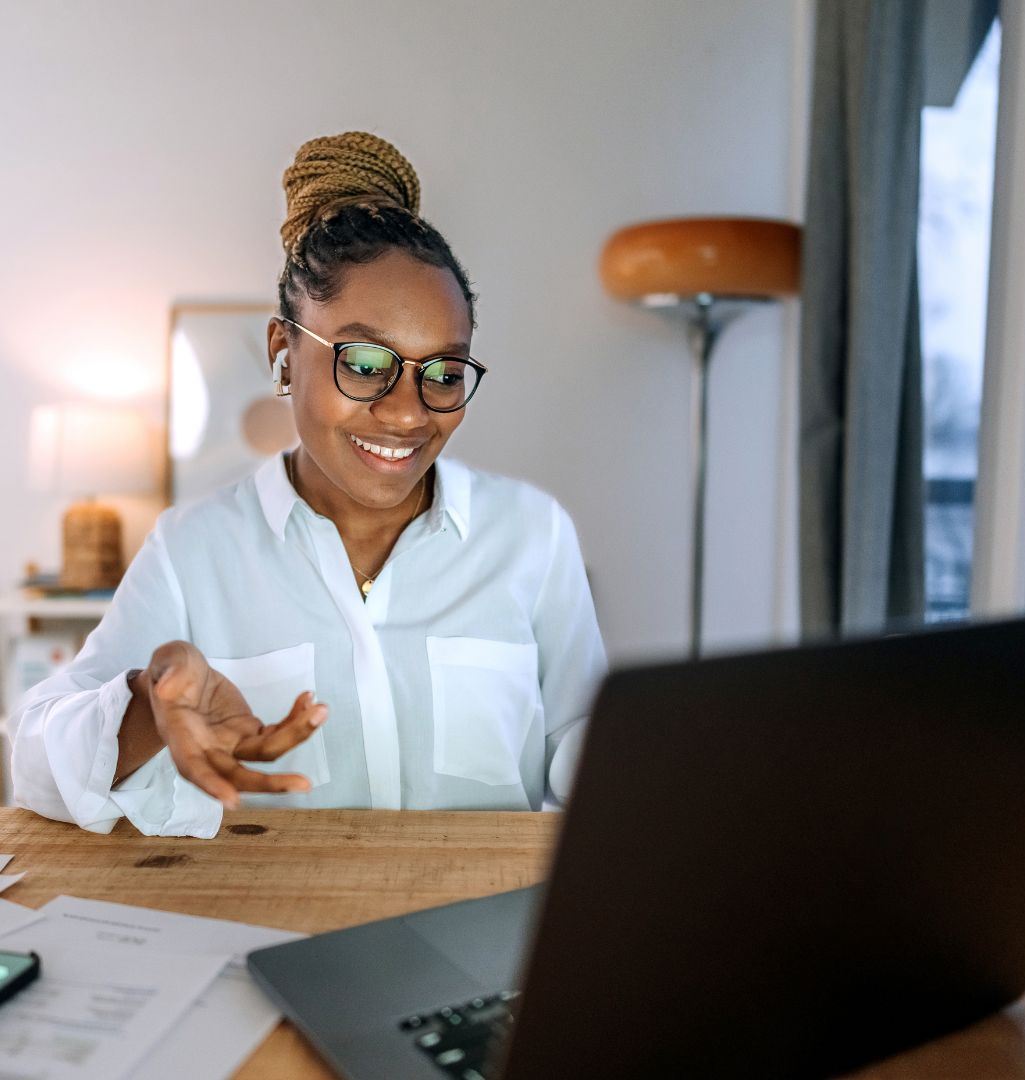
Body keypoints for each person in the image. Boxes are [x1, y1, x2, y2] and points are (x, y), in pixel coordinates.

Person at [10, 132, 606, 838]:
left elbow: (592, 755)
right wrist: (147, 707)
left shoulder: (531, 535)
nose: (410, 411)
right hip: (273, 928)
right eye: (363, 363)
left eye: (443, 373)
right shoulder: (193, 550)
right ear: (283, 354)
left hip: (478, 928)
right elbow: (33, 763)